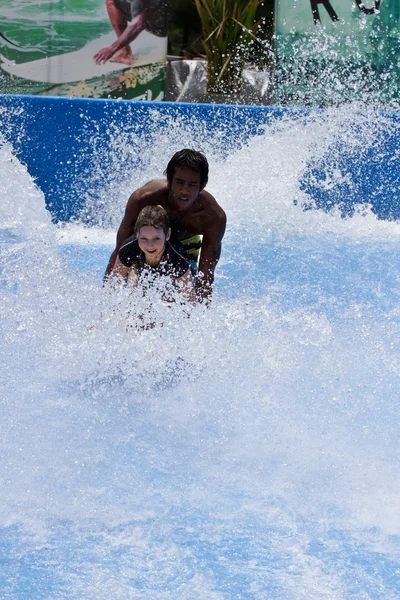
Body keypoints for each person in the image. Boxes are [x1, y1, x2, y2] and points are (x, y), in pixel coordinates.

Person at [104, 149, 227, 301]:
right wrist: (105, 298)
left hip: (186, 246)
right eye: (179, 182)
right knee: (136, 287)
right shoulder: (142, 199)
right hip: (147, 242)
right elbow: (120, 251)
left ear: (202, 185)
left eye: (192, 184)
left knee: (177, 295)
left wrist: (200, 315)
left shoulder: (213, 217)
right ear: (169, 179)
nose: (184, 190)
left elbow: (206, 274)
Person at [110, 204, 195, 303]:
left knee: (169, 298)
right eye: (144, 238)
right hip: (137, 272)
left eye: (156, 238)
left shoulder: (177, 257)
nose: (150, 245)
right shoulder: (129, 249)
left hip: (169, 278)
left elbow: (190, 299)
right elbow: (112, 286)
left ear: (167, 234)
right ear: (137, 235)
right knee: (133, 288)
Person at [94, 0, 168, 65]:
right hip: (156, 20)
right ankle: (125, 53)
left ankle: (125, 53)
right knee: (111, 1)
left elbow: (138, 25)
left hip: (164, 26)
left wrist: (112, 48)